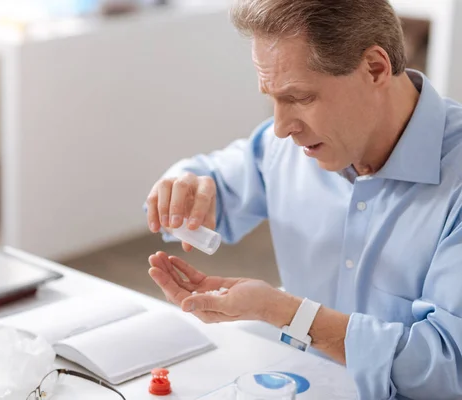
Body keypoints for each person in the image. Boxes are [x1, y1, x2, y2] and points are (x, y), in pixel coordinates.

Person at [144, 0, 462, 399]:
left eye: (301, 97)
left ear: (375, 68)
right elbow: (206, 182)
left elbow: (448, 369)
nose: (280, 128)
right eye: (272, 97)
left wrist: (284, 313)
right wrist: (181, 189)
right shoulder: (288, 149)